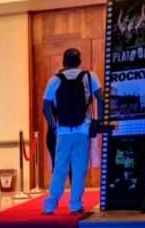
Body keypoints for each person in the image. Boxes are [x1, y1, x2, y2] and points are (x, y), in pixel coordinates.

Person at [42, 47, 105, 215]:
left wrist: (54, 127)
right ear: (79, 61)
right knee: (79, 169)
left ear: (63, 62)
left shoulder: (54, 80)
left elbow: (46, 107)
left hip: (63, 131)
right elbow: (100, 98)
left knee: (60, 168)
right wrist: (98, 122)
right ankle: (75, 204)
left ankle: (50, 204)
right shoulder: (90, 76)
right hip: (83, 130)